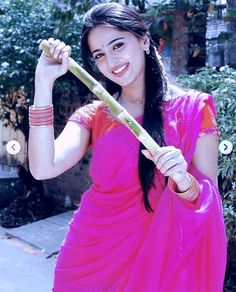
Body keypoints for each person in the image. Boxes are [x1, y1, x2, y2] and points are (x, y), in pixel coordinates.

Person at [28, 2, 227, 291]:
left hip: (162, 265)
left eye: (118, 45)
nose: (111, 61)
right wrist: (43, 84)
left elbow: (209, 205)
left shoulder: (193, 109)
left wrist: (183, 180)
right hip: (89, 260)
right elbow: (43, 166)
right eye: (99, 55)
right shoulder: (95, 115)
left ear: (144, 40)